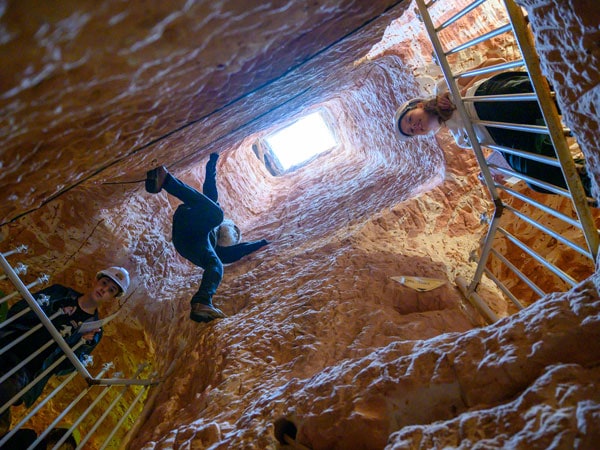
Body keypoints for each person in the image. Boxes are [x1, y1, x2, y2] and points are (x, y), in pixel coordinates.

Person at [393, 62, 592, 197]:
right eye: (412, 130)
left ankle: (577, 100)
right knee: (534, 180)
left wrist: (460, 95)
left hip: (489, 99)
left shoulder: (442, 87)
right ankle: (590, 178)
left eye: (410, 119)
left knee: (488, 105)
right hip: (505, 133)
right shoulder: (461, 139)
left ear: (418, 106)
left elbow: (493, 61)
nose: (414, 126)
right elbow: (500, 147)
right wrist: (498, 172)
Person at [145, 153, 269, 323]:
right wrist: (212, 163)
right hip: (188, 222)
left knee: (217, 264)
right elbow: (210, 188)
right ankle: (165, 180)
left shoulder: (217, 251)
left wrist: (262, 243)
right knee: (215, 211)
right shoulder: (212, 216)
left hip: (189, 243)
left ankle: (202, 303)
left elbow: (239, 250)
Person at [0, 266, 129, 427]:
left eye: (111, 290)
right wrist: (55, 307)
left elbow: (64, 368)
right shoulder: (60, 293)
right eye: (104, 283)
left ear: (112, 298)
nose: (104, 290)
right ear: (95, 281)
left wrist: (80, 344)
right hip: (9, 343)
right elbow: (19, 310)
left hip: (28, 370)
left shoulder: (93, 329)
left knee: (4, 391)